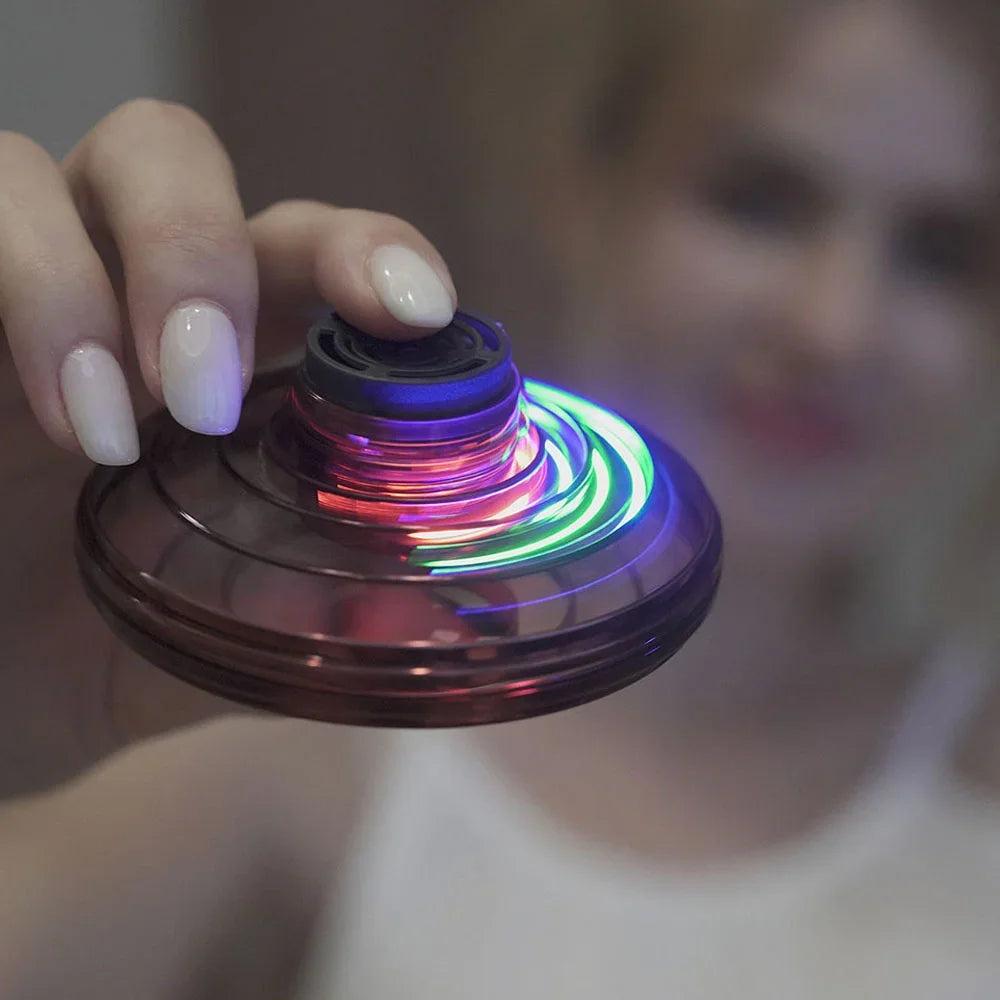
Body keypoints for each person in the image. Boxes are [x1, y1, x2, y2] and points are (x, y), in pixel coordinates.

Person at [1, 0, 1000, 996]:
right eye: (760, 201)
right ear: (583, 189)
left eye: (941, 251)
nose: (835, 325)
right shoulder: (291, 717)